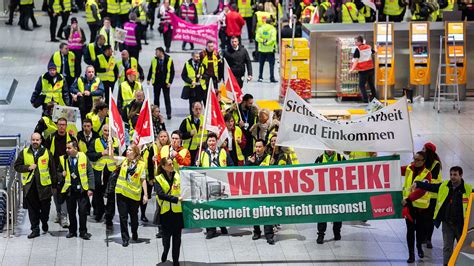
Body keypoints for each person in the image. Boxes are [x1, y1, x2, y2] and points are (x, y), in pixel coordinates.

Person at [411, 166, 472, 265]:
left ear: (461, 175)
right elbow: (430, 186)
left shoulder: (468, 189)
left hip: (462, 225)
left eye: (455, 175)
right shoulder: (444, 186)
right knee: (447, 247)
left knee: (464, 248)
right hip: (447, 223)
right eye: (451, 174)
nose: (452, 177)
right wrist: (418, 183)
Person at [14, 133, 56, 239]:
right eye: (33, 140)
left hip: (44, 187)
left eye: (37, 140)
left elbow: (53, 170)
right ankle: (35, 229)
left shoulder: (47, 152)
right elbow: (17, 166)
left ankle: (44, 221)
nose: (35, 142)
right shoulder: (24, 152)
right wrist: (28, 167)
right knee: (33, 210)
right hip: (30, 186)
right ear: (30, 140)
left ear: (41, 141)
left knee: (45, 209)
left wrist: (54, 186)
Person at [58, 141, 95, 239]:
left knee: (82, 212)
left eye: (69, 148)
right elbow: (57, 173)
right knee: (71, 212)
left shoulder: (83, 157)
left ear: (75, 148)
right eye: (66, 148)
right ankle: (72, 231)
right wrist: (62, 174)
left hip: (82, 190)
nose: (67, 150)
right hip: (70, 190)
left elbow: (90, 173)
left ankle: (83, 231)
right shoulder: (63, 159)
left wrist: (91, 188)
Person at [45, 117, 77, 228]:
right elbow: (46, 154)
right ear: (56, 125)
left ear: (66, 126)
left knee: (63, 193)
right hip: (54, 170)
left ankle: (64, 216)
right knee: (55, 194)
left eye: (63, 124)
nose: (61, 126)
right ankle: (59, 213)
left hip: (66, 170)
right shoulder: (50, 138)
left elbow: (75, 154)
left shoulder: (72, 139)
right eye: (59, 124)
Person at [196, 133, 230, 239]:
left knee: (220, 206)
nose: (211, 143)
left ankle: (222, 224)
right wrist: (197, 164)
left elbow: (231, 165)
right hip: (207, 184)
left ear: (216, 142)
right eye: (210, 141)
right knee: (209, 207)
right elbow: (195, 169)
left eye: (213, 141)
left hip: (220, 183)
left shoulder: (223, 152)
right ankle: (211, 229)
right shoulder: (202, 154)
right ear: (207, 142)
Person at [401, 151, 432, 263]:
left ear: (424, 161)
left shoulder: (427, 174)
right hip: (409, 207)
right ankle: (411, 255)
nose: (416, 162)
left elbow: (421, 191)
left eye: (418, 160)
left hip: (421, 208)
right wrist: (393, 159)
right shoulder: (409, 168)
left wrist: (408, 199)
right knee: (410, 230)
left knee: (419, 231)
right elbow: (396, 169)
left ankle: (419, 246)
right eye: (414, 159)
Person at [115, 144, 149, 247]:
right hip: (121, 193)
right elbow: (111, 157)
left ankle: (134, 231)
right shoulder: (123, 160)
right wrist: (111, 145)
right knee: (123, 217)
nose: (128, 151)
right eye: (127, 149)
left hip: (134, 195)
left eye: (130, 150)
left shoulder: (141, 165)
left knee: (134, 217)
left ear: (135, 153)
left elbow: (143, 180)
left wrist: (146, 195)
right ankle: (125, 238)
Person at [87, 125, 118, 226]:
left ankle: (109, 216)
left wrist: (115, 152)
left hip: (111, 171)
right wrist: (101, 153)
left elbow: (122, 154)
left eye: (109, 131)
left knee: (111, 194)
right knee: (97, 193)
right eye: (105, 130)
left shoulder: (116, 142)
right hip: (98, 171)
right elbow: (89, 155)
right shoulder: (95, 141)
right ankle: (99, 212)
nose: (107, 133)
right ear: (102, 131)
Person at [155, 158, 184, 266]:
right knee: (166, 238)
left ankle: (175, 260)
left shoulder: (178, 175)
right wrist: (175, 199)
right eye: (169, 164)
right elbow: (160, 194)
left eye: (172, 163)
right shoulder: (158, 178)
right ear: (163, 166)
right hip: (166, 213)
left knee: (177, 238)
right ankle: (165, 250)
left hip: (177, 212)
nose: (172, 166)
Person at [246, 139, 274, 244]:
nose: (257, 149)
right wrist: (249, 163)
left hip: (266, 189)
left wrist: (272, 165)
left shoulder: (269, 158)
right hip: (254, 189)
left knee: (267, 212)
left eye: (259, 147)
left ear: (264, 148)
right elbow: (243, 172)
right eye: (256, 147)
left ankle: (269, 234)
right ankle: (256, 232)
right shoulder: (250, 158)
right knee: (255, 211)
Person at [315, 150, 346, 244]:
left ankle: (337, 232)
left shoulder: (341, 158)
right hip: (323, 192)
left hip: (337, 191)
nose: (329, 150)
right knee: (322, 214)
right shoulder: (320, 159)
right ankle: (321, 235)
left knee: (337, 212)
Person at [422, 142, 442, 249]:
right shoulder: (422, 162)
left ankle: (428, 239)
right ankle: (423, 237)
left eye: (424, 149)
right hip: (422, 196)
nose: (422, 150)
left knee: (429, 219)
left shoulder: (436, 164)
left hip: (432, 196)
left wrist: (423, 180)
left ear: (428, 151)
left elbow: (433, 179)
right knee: (422, 218)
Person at [147, 47, 175, 119]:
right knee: (156, 98)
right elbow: (151, 69)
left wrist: (170, 82)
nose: (156, 53)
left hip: (165, 82)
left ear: (161, 52)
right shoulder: (154, 60)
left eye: (157, 52)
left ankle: (168, 113)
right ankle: (156, 113)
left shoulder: (169, 59)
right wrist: (148, 79)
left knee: (167, 98)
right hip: (156, 82)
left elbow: (172, 72)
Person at [349, 35, 377, 103]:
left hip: (363, 70)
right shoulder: (368, 47)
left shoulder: (358, 49)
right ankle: (375, 98)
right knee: (371, 84)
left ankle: (365, 100)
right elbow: (375, 52)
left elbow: (356, 60)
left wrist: (351, 69)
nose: (355, 43)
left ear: (359, 42)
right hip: (370, 69)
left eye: (356, 42)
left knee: (361, 85)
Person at [256, 17, 277, 83]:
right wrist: (268, 43)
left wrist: (263, 42)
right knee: (271, 65)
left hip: (262, 49)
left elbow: (257, 38)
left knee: (261, 64)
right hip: (270, 50)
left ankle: (260, 77)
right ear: (271, 22)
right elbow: (273, 39)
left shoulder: (260, 29)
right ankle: (272, 78)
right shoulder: (273, 29)